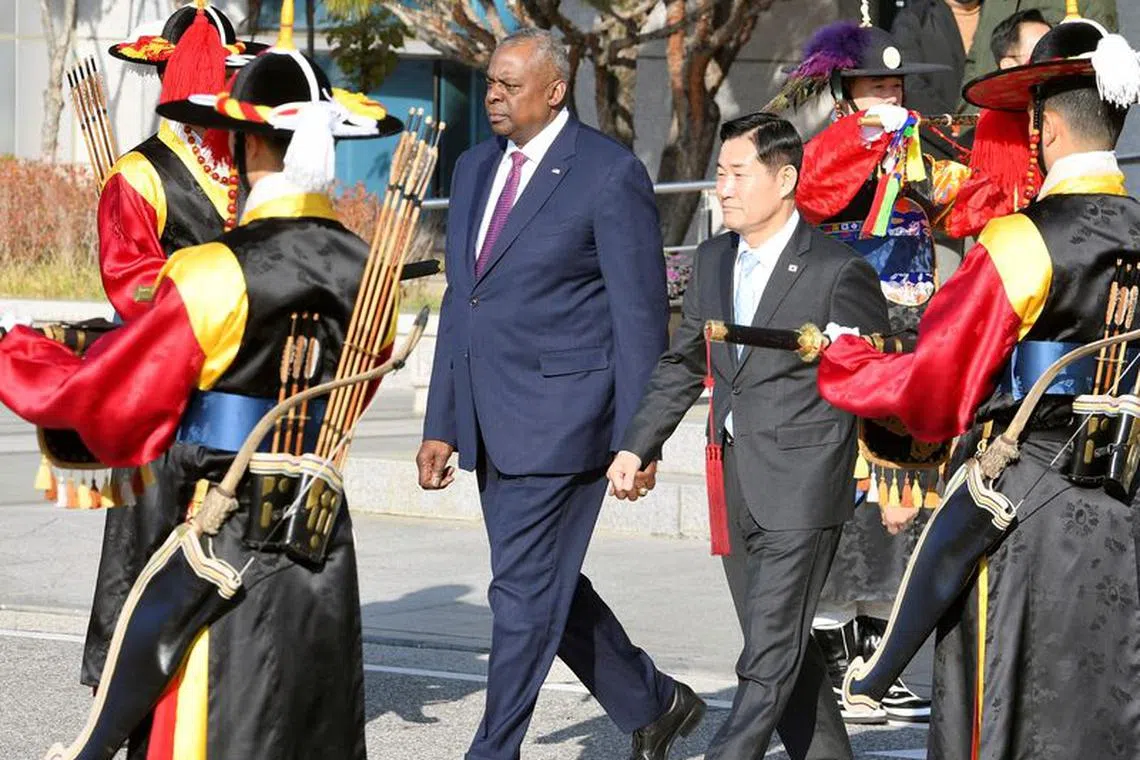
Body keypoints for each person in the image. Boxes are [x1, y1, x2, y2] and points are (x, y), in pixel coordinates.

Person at [6, 2, 403, 755]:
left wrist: (23, 356)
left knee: (218, 713)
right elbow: (351, 388)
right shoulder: (373, 275)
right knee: (306, 716)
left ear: (247, 140)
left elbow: (107, 397)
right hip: (318, 528)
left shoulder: (213, 273)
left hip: (217, 521)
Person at [818, 16, 1140, 758]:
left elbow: (938, 391)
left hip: (1024, 510)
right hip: (1125, 500)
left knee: (1008, 701)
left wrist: (850, 365)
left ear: (1045, 129)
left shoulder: (1021, 240)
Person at [416, 27, 702, 760]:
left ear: (554, 90)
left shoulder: (607, 174)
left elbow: (640, 318)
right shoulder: (477, 167)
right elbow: (463, 302)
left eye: (510, 85)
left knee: (518, 595)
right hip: (489, 418)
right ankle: (654, 701)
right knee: (542, 585)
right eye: (490, 83)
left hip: (566, 422)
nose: (495, 96)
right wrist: (442, 420)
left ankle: (493, 750)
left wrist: (641, 440)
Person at [608, 112, 889, 760]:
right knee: (785, 652)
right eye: (720, 175)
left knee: (766, 657)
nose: (723, 189)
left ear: (785, 177)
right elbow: (685, 363)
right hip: (735, 482)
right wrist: (636, 444)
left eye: (738, 174)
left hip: (804, 486)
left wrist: (899, 471)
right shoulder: (711, 260)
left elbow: (873, 379)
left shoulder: (836, 271)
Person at [770, 19, 974, 725]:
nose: (889, 92)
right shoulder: (824, 146)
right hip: (845, 331)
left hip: (912, 330)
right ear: (846, 88)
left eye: (894, 82)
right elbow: (816, 199)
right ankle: (833, 661)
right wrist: (865, 142)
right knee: (850, 493)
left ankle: (879, 665)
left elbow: (965, 200)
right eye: (874, 83)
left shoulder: (919, 136)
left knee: (909, 487)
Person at [79, 0, 264, 737]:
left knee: (233, 537)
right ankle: (116, 688)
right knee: (145, 538)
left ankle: (216, 684)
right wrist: (221, 298)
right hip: (159, 386)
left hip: (236, 387)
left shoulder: (244, 163)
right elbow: (131, 280)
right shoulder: (138, 174)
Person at [961, 0, 1117, 90]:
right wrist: (964, 121)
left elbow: (1098, 60)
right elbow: (976, 58)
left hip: (1045, 125)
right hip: (982, 126)